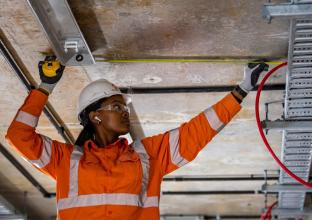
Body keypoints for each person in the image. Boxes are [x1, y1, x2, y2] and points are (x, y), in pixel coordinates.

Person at [6, 58, 268, 220]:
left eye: (125, 107)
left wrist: (241, 90)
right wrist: (45, 86)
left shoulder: (148, 156)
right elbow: (18, 136)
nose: (125, 113)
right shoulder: (65, 161)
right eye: (117, 107)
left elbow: (196, 132)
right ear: (95, 116)